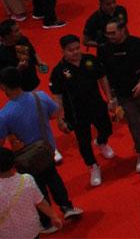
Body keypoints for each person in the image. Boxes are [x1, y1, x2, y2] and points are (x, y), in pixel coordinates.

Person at [0, 67, 83, 227]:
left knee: (37, 187)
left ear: (3, 86)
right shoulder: (39, 97)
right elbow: (55, 113)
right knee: (53, 176)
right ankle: (67, 207)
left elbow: (1, 142)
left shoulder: (4, 115)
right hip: (47, 148)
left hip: (25, 157)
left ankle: (46, 222)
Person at [49, 34, 113, 187]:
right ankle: (93, 166)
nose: (75, 52)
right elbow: (57, 96)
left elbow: (102, 78)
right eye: (71, 50)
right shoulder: (59, 71)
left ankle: (101, 142)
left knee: (107, 129)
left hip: (97, 105)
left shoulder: (90, 60)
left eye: (77, 48)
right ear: (63, 51)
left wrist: (110, 99)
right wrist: (60, 118)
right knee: (84, 142)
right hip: (76, 113)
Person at [99, 20, 140, 172]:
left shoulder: (136, 43)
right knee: (132, 121)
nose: (109, 36)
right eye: (107, 33)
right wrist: (110, 98)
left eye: (113, 33)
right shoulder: (104, 50)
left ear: (122, 30)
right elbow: (103, 76)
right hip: (122, 94)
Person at [0, 146, 64, 237]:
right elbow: (40, 202)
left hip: (6, 233)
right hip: (31, 229)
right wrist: (54, 217)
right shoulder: (26, 179)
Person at [0, 20, 42, 91]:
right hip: (17, 89)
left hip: (32, 81)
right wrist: (18, 69)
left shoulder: (22, 39)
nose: (20, 32)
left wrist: (40, 63)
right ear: (7, 36)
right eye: (16, 31)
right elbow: (4, 78)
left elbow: (32, 52)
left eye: (19, 29)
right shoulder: (2, 54)